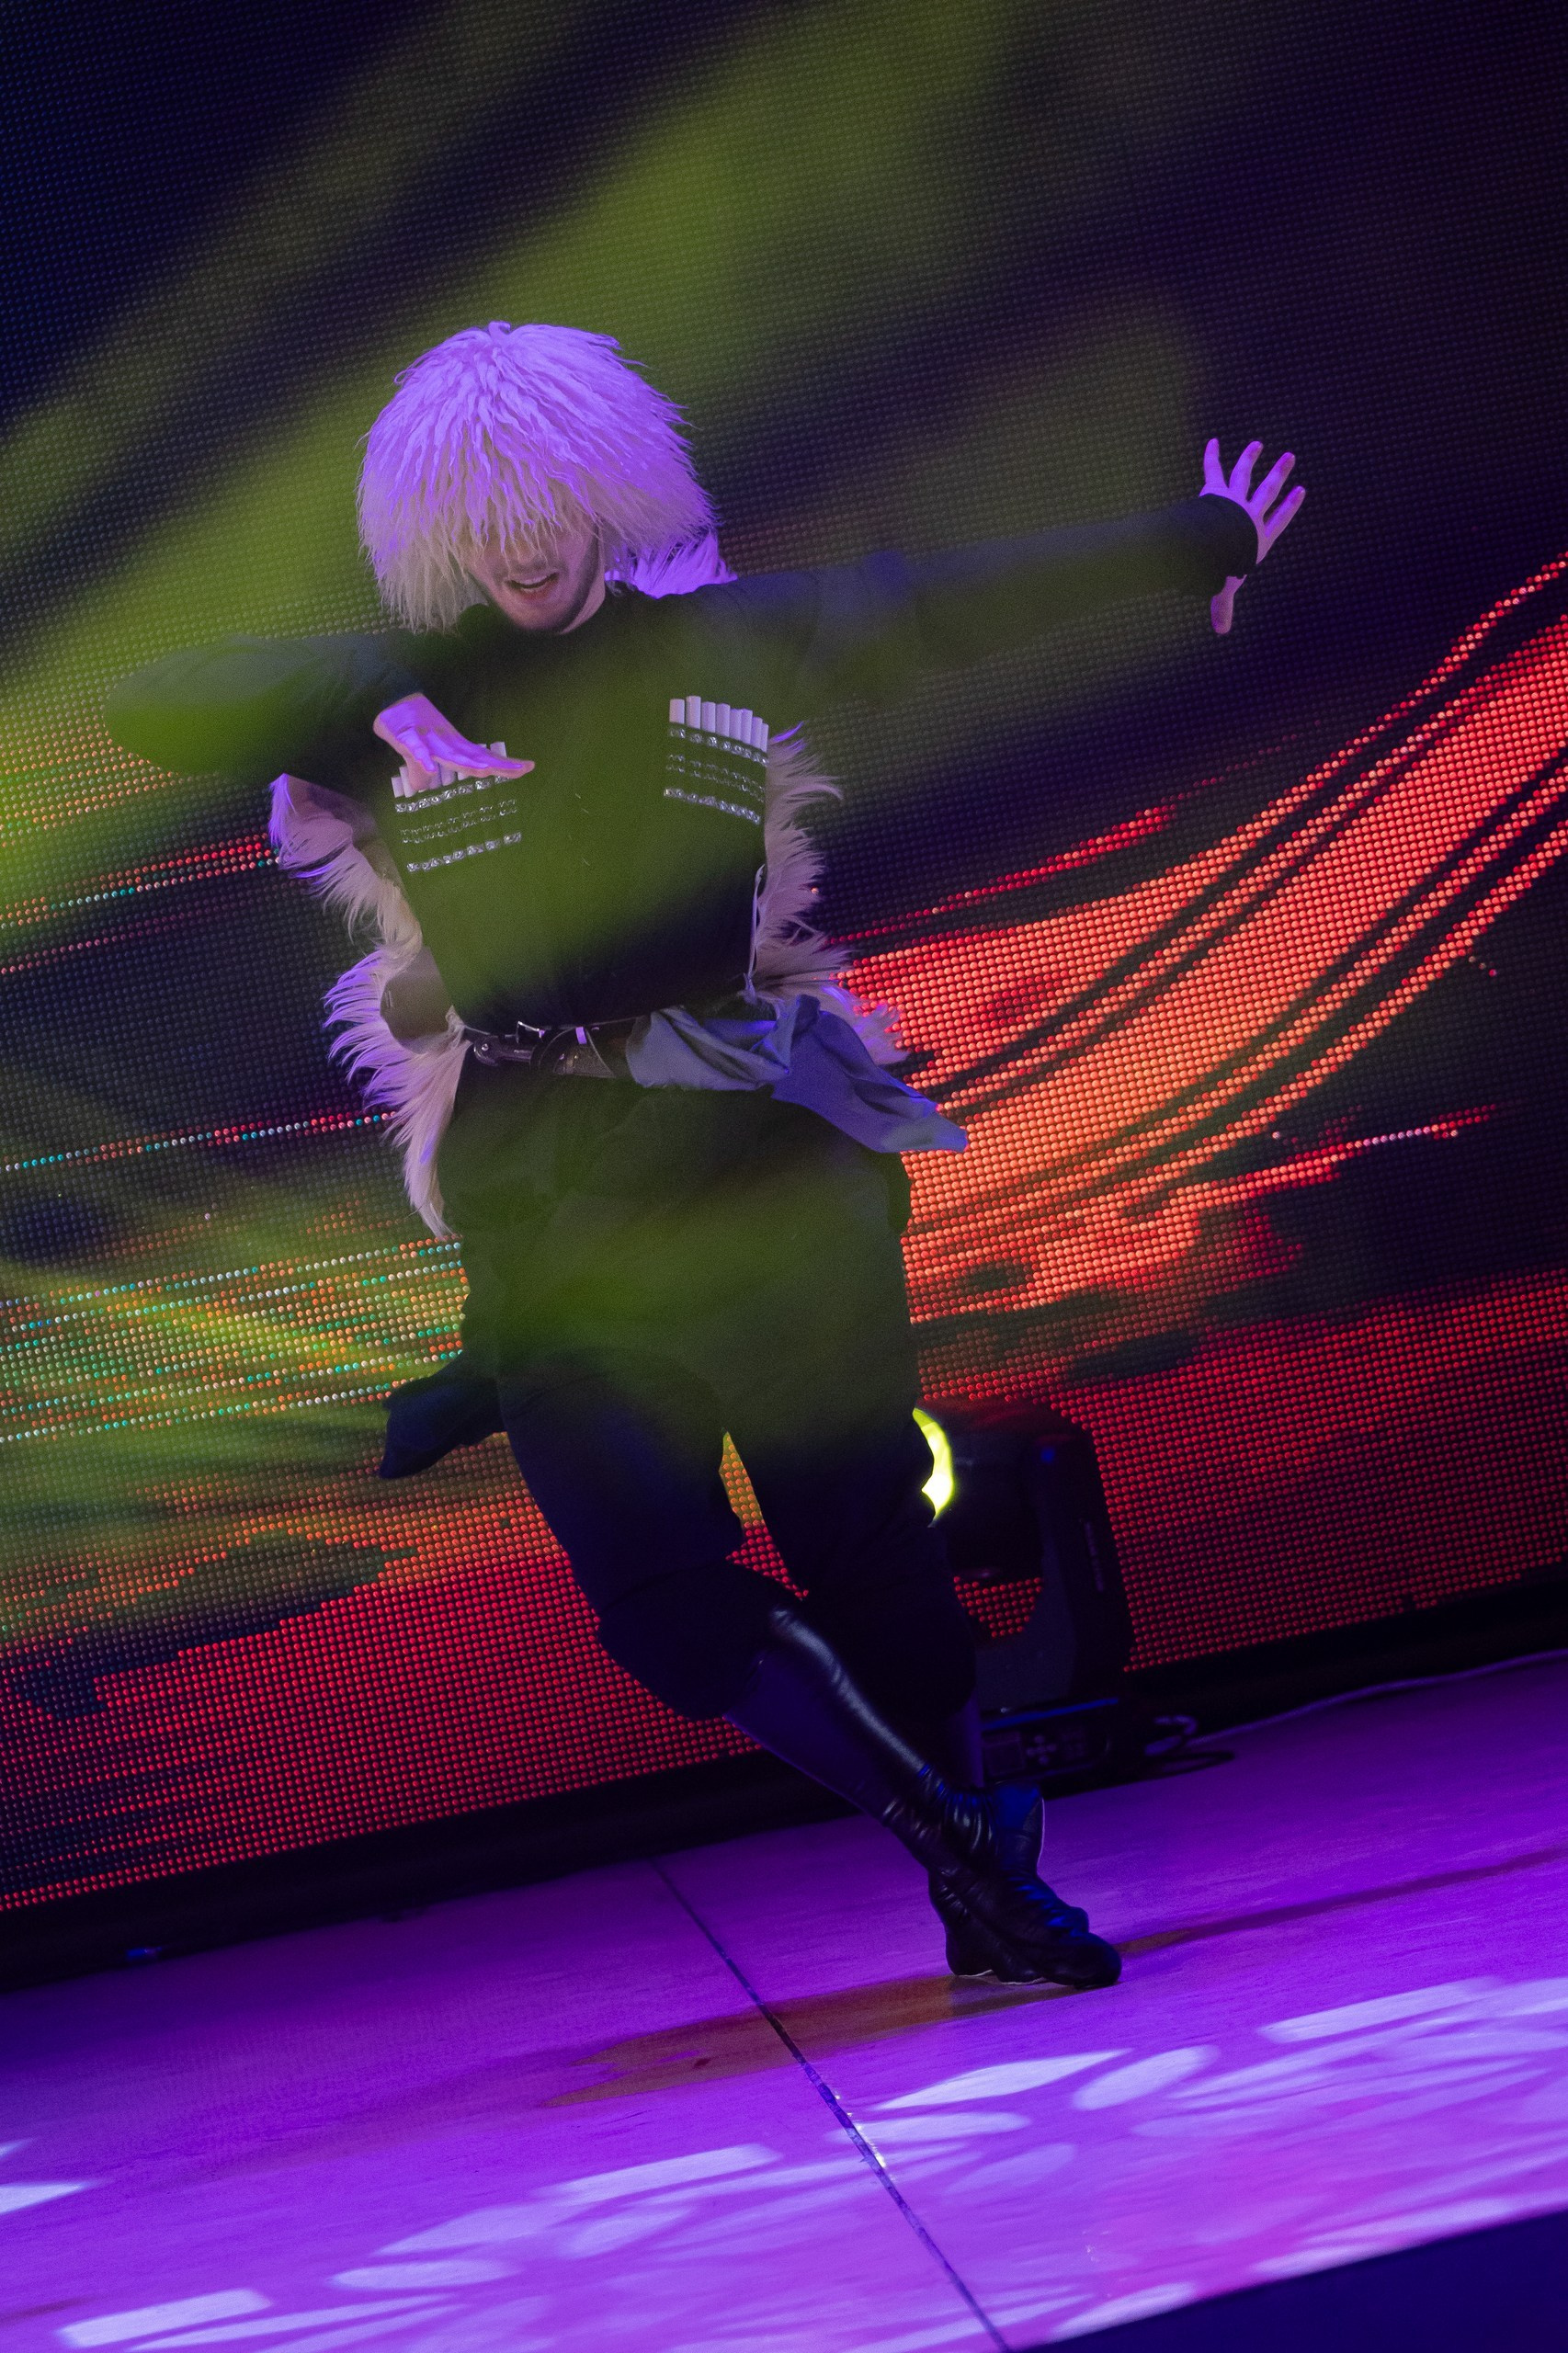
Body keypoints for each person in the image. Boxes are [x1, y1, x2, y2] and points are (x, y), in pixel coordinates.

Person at [106, 321, 1301, 1987]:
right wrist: (365, 698)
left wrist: (1197, 542)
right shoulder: (402, 693)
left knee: (871, 1553)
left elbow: (944, 603)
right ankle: (963, 1847)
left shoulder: (724, 640)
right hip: (553, 1212)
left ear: (606, 495)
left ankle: (980, 1896)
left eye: (551, 502)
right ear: (443, 530)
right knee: (657, 1599)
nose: (527, 541)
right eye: (489, 515)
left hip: (756, 1169)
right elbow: (143, 702)